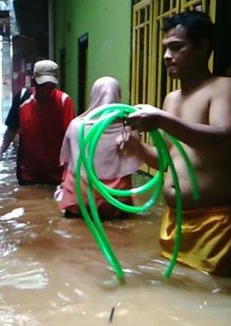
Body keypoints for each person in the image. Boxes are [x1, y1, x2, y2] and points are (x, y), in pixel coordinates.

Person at [117, 11, 231, 276]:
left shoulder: (222, 88)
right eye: (165, 48)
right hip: (176, 222)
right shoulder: (171, 99)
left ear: (203, 47)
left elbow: (224, 139)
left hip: (215, 225)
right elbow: (171, 160)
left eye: (176, 47)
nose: (167, 56)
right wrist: (137, 149)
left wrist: (164, 121)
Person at [55, 77, 140, 219]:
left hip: (80, 201)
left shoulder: (77, 126)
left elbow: (67, 161)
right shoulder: (129, 128)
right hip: (117, 202)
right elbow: (133, 163)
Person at [0, 59, 75, 185]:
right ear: (33, 80)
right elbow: (11, 129)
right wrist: (0, 153)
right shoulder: (22, 98)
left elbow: (71, 139)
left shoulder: (64, 102)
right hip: (27, 173)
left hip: (56, 175)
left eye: (51, 86)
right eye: (43, 86)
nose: (47, 91)